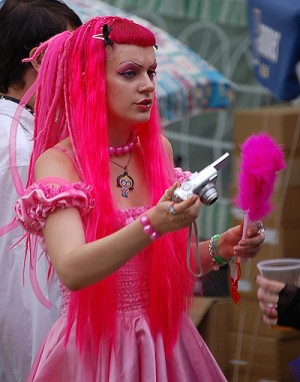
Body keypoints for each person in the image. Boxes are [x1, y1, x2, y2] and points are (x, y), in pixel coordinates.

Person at [11, 16, 264, 381]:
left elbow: (162, 267)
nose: (147, 86)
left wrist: (220, 247)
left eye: (152, 72)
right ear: (89, 80)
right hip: (95, 351)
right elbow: (72, 269)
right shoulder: (60, 162)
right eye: (130, 73)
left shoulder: (158, 149)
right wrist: (151, 224)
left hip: (165, 342)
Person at [0, 1, 82, 381]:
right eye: (73, 55)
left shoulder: (26, 138)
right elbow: (27, 281)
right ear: (37, 61)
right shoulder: (21, 151)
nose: (83, 70)